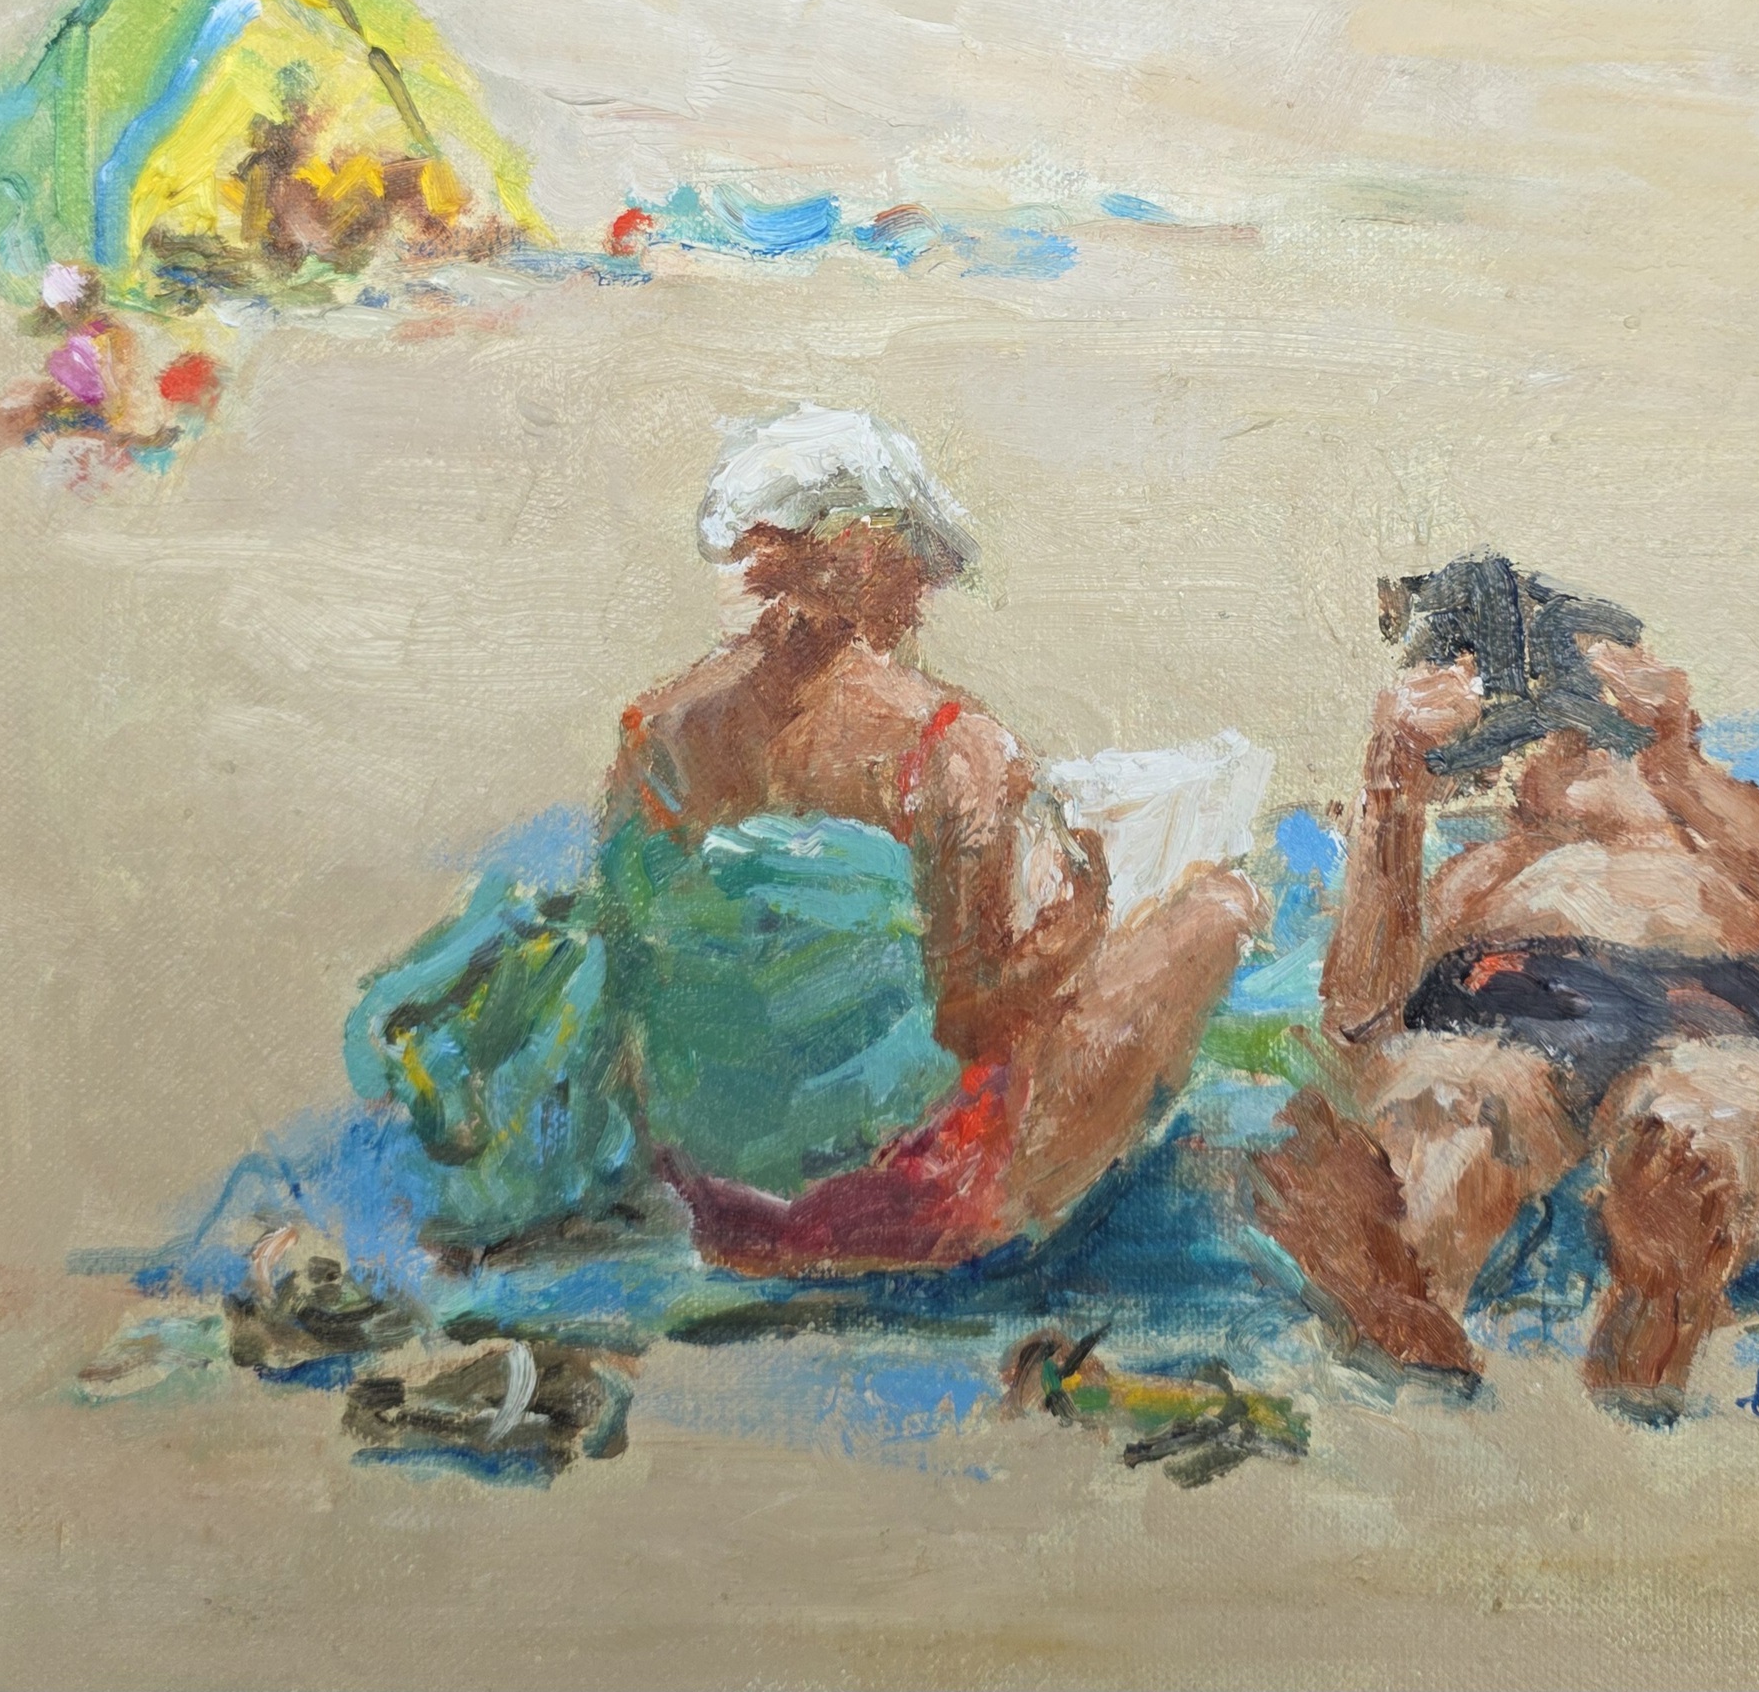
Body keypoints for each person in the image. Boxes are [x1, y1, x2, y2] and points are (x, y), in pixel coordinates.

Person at [351, 405, 1263, 1276]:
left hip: (725, 1211)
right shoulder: (949, 747)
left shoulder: (653, 736)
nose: (924, 596)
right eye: (919, 566)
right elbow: (974, 1023)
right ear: (865, 555)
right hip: (921, 1208)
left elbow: (642, 989)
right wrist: (1077, 927)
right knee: (1219, 909)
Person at [1251, 555, 1759, 1420]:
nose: (1564, 736)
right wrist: (1392, 790)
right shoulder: (1486, 868)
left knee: (1702, 1118)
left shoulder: (1718, 829)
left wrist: (1681, 770)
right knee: (1456, 1106)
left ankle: (1663, 1278)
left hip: (1725, 1007)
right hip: (1506, 1000)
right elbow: (1361, 1010)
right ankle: (1403, 1269)